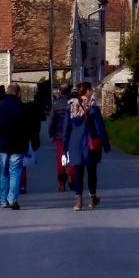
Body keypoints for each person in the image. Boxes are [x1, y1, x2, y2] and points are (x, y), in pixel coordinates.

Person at [0, 83, 39, 210]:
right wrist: (34, 143)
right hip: (18, 144)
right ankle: (12, 198)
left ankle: (3, 199)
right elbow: (31, 128)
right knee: (15, 171)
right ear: (18, 92)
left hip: (0, 144)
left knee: (4, 172)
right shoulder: (22, 107)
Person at [62, 82, 110, 211]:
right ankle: (92, 198)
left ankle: (78, 201)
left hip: (74, 143)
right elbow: (100, 128)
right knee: (91, 171)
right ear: (87, 91)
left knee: (78, 172)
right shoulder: (93, 107)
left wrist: (64, 147)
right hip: (89, 143)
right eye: (91, 90)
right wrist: (106, 144)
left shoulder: (71, 107)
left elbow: (66, 128)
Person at [48, 82, 76, 191]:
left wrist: (51, 133)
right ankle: (71, 176)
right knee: (73, 157)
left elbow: (51, 120)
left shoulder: (56, 104)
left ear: (60, 92)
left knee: (61, 158)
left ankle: (61, 183)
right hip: (73, 134)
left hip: (59, 135)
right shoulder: (74, 103)